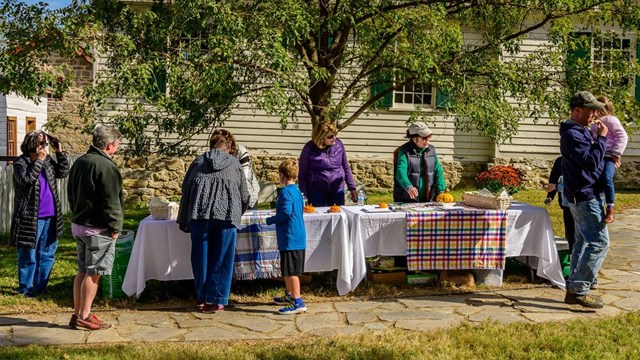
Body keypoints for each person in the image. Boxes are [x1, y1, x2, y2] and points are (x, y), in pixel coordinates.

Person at [177, 132, 250, 313]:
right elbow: (245, 196)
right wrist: (238, 211)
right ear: (228, 148)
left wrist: (184, 217)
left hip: (199, 215)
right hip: (226, 216)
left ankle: (202, 296)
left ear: (211, 146)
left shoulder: (198, 162)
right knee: (222, 258)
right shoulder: (235, 164)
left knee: (200, 257)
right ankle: (215, 300)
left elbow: (185, 189)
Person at [68, 125, 124, 330]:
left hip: (80, 224)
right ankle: (83, 315)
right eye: (117, 144)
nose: (117, 148)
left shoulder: (80, 162)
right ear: (110, 145)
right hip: (98, 228)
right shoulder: (106, 166)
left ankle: (79, 313)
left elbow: (71, 193)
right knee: (94, 272)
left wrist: (77, 214)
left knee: (82, 270)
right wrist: (115, 226)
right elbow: (111, 201)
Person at [560, 91, 609, 309]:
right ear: (577, 110)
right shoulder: (573, 134)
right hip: (583, 195)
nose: (595, 114)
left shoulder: (581, 131)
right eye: (591, 110)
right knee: (599, 242)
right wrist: (602, 139)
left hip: (583, 193)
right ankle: (579, 288)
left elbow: (594, 163)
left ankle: (575, 284)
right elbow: (590, 163)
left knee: (582, 241)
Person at [10, 130, 69, 297]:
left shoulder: (48, 160)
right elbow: (27, 180)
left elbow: (63, 172)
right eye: (41, 143)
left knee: (47, 253)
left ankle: (41, 286)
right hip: (30, 216)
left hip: (51, 215)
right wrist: (39, 161)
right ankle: (26, 288)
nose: (44, 147)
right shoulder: (21, 163)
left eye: (45, 144)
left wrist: (59, 153)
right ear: (31, 144)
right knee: (28, 253)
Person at [266, 159, 307, 315]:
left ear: (281, 175)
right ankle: (290, 295)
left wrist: (271, 220)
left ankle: (298, 301)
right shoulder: (297, 191)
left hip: (290, 237)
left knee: (291, 272)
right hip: (296, 236)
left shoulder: (285, 192)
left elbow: (286, 213)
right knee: (287, 269)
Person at [298, 122, 357, 206]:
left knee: (337, 215)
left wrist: (352, 188)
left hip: (337, 189)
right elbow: (302, 175)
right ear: (320, 138)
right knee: (318, 217)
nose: (334, 138)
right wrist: (304, 196)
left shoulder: (339, 145)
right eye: (330, 137)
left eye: (334, 135)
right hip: (316, 191)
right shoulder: (309, 148)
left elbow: (346, 167)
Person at [590, 96, 628, 224]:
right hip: (598, 155)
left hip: (609, 156)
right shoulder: (595, 122)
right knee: (596, 179)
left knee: (607, 177)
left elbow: (622, 136)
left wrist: (616, 153)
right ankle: (596, 203)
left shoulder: (611, 120)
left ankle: (610, 208)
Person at [393, 122, 446, 203]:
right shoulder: (404, 151)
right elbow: (400, 172)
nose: (428, 140)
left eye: (429, 137)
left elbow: (438, 171)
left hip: (429, 198)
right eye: (424, 138)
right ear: (414, 139)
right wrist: (409, 187)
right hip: (407, 199)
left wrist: (441, 190)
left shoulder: (431, 150)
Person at [212, 128, 260, 209]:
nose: (218, 153)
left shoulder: (240, 151)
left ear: (229, 144)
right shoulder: (213, 154)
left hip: (248, 194)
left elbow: (244, 175)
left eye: (222, 149)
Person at [545, 156, 576, 253]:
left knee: (580, 232)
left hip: (580, 203)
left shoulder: (579, 159)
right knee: (570, 230)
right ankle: (571, 254)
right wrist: (550, 196)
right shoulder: (560, 161)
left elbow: (574, 184)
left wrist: (556, 187)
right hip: (566, 203)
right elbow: (553, 178)